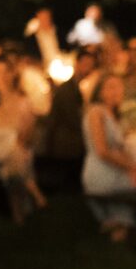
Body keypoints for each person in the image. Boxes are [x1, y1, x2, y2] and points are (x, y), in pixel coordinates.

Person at [82, 73, 136, 242]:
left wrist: (134, 167)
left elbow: (120, 149)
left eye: (119, 87)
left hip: (115, 170)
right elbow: (102, 151)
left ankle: (119, 224)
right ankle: (126, 225)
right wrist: (132, 168)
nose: (116, 91)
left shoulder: (114, 115)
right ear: (100, 91)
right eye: (110, 87)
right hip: (101, 172)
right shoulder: (96, 112)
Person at [0, 57, 47, 223]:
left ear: (12, 74)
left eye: (5, 71)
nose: (1, 76)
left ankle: (18, 214)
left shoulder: (23, 100)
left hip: (19, 148)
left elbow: (28, 132)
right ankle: (34, 191)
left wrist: (17, 143)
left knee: (14, 155)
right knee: (14, 155)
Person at [44, 50, 96, 189]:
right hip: (68, 142)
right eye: (85, 64)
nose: (88, 68)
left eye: (90, 65)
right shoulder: (67, 90)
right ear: (77, 64)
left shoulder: (79, 87)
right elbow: (73, 120)